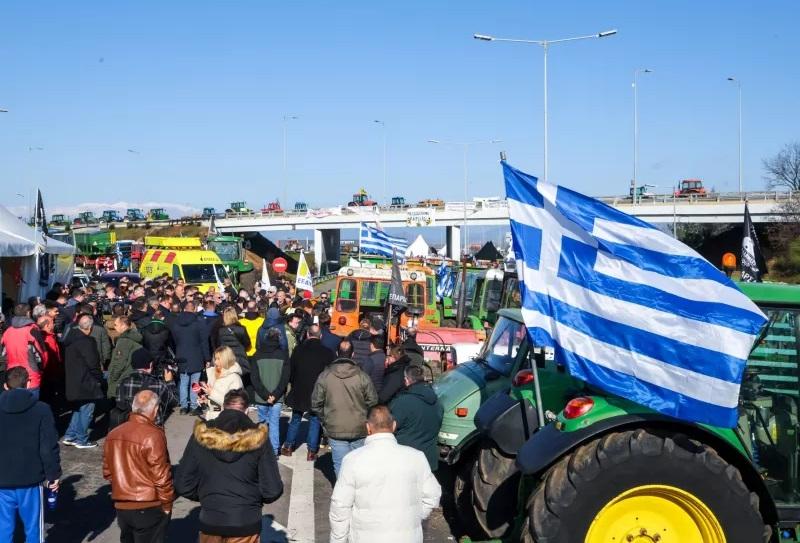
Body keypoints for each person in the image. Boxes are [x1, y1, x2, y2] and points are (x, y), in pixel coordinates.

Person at [175, 389, 283, 543]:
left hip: (211, 519)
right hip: (246, 521)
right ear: (246, 410)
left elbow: (183, 483)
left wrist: (206, 496)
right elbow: (272, 489)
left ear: (224, 407)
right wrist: (252, 500)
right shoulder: (258, 438)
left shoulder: (202, 434)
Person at [328, 405, 441, 543]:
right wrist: (414, 517)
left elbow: (340, 506)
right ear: (393, 426)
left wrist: (338, 540)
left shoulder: (353, 460)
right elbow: (433, 495)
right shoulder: (416, 457)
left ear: (368, 427)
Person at [102, 390, 174, 543]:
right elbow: (161, 475)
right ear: (154, 410)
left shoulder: (113, 434)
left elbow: (108, 472)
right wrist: (167, 503)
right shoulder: (153, 435)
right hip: (149, 505)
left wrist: (123, 486)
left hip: (122, 506)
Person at [0, 367, 61, 543]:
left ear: (5, 386)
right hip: (30, 479)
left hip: (2, 479)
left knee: (3, 528)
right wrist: (53, 474)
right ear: (28, 383)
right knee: (34, 528)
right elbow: (48, 446)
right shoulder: (41, 409)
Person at [311, 340, 377, 476]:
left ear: (336, 353)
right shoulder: (362, 376)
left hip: (335, 427)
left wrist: (326, 421)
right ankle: (356, 495)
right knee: (357, 466)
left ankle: (342, 494)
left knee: (340, 466)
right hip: (359, 427)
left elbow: (316, 403)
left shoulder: (325, 376)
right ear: (353, 354)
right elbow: (373, 401)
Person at [281, 325, 334, 460]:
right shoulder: (327, 352)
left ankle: (288, 446)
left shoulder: (299, 350)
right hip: (318, 390)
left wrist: (293, 384)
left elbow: (291, 370)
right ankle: (311, 451)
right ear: (320, 336)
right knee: (315, 420)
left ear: (307, 335)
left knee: (296, 418)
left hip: (299, 388)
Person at [389, 365, 444, 471]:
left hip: (406, 461)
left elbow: (389, 429)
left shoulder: (402, 402)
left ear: (406, 380)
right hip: (429, 461)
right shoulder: (437, 402)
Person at [63, 314, 105, 448]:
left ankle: (71, 435)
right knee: (87, 409)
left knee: (78, 408)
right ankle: (82, 439)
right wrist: (99, 378)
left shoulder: (70, 338)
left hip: (74, 379)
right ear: (90, 327)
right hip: (86, 380)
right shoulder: (86, 342)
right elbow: (93, 363)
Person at [113, 348, 178, 428]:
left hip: (128, 428)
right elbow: (174, 401)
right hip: (151, 430)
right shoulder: (158, 384)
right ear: (150, 365)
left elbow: (120, 404)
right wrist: (169, 381)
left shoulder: (122, 383)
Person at [250, 327, 291, 456]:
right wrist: (275, 395)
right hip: (277, 397)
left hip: (261, 397)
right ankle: (273, 450)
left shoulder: (257, 355)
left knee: (262, 423)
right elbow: (285, 378)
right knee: (274, 424)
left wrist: (265, 395)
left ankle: (262, 449)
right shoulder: (283, 355)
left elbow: (254, 378)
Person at [169, 301, 210, 416]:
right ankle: (193, 405)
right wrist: (207, 358)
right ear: (195, 309)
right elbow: (204, 342)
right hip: (196, 354)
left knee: (183, 382)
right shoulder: (199, 322)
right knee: (194, 382)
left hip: (181, 354)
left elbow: (175, 339)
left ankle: (183, 406)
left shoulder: (176, 322)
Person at [0, 303, 46, 399]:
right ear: (28, 313)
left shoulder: (8, 331)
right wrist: (41, 369)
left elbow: (3, 355)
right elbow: (42, 355)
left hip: (12, 377)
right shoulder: (32, 331)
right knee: (31, 408)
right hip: (30, 378)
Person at [198, 346, 243, 421]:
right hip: (212, 419)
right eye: (215, 359)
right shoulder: (214, 374)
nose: (215, 362)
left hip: (227, 421)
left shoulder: (234, 378)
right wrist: (207, 401)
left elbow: (234, 404)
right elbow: (217, 405)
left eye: (218, 359)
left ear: (226, 359)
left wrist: (212, 393)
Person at [106, 316, 143, 400]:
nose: (114, 327)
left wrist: (112, 378)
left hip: (122, 378)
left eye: (116, 325)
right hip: (130, 375)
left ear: (123, 325)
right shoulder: (134, 337)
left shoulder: (124, 341)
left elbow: (120, 362)